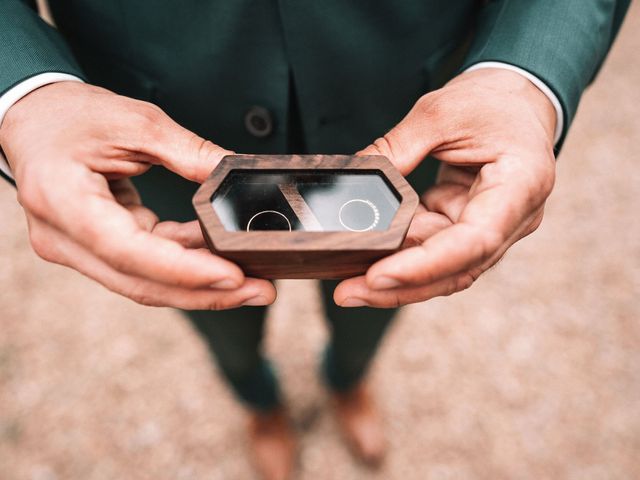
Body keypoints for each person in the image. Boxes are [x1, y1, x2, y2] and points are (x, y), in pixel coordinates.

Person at [0, 1, 629, 479]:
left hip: (409, 117)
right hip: (164, 140)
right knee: (220, 315)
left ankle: (346, 381)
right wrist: (26, 97)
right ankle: (259, 402)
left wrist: (524, 77)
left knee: (376, 305)